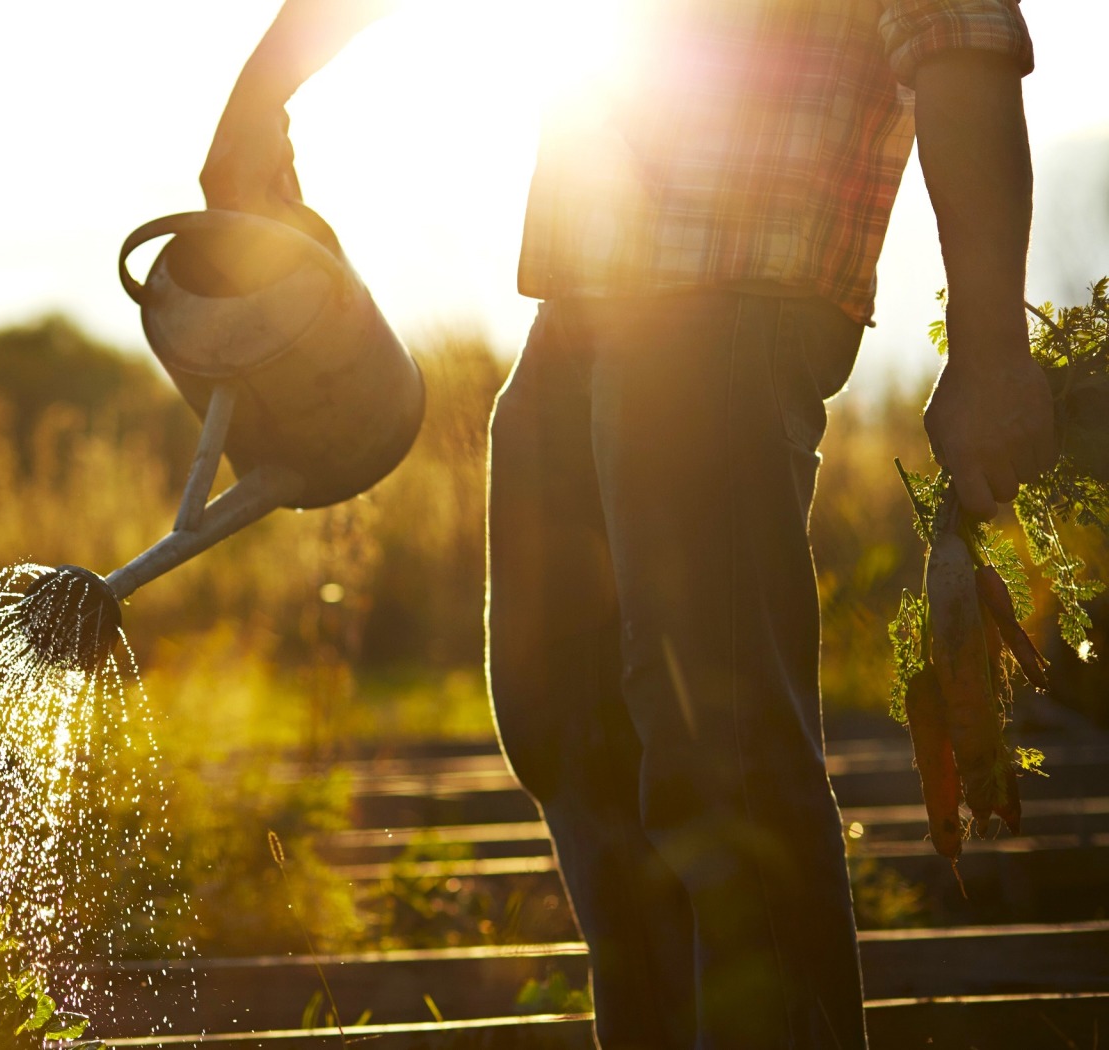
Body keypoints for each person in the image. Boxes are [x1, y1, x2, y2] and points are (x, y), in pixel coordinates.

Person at [202, 1, 1056, 1046]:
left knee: (719, 746)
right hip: (583, 301)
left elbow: (956, 33)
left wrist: (988, 347)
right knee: (564, 721)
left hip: (735, 300)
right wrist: (260, 96)